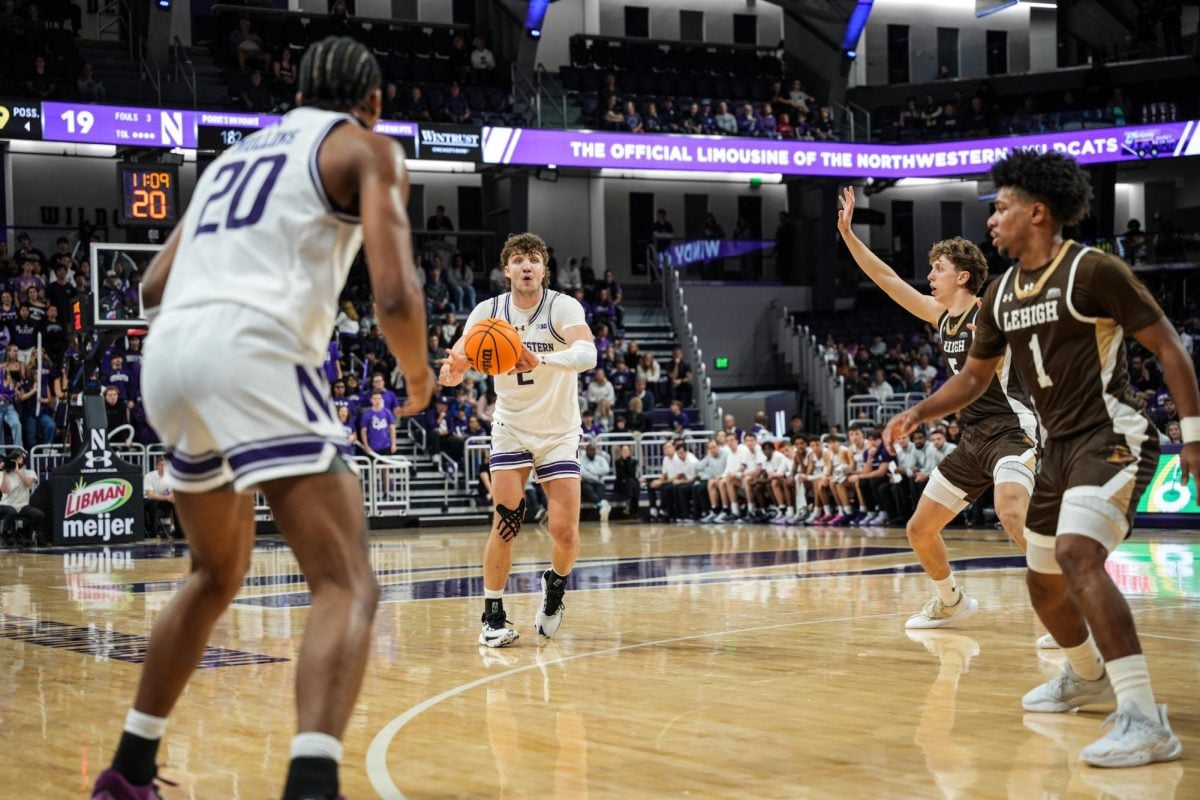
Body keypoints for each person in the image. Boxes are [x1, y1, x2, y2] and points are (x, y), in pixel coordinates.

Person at [91, 38, 432, 800]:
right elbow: (397, 295)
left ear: (298, 90)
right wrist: (417, 372)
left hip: (170, 358)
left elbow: (152, 285)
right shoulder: (366, 148)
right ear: (371, 102)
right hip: (254, 351)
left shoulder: (232, 161)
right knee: (345, 582)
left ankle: (127, 773)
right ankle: (311, 787)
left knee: (215, 574)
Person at [885, 150, 1198, 769]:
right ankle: (1086, 675)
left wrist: (1193, 437)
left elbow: (1170, 348)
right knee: (1042, 582)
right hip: (1055, 445)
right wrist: (921, 412)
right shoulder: (999, 294)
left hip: (1112, 432)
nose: (992, 220)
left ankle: (1143, 717)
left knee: (1077, 555)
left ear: (1038, 212)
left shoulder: (1094, 270)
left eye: (1001, 207)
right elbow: (974, 378)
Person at [839, 186, 1038, 630]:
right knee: (919, 529)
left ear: (963, 277)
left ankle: (1068, 601)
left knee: (1010, 512)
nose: (930, 275)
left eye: (939, 268)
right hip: (972, 439)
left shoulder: (991, 314)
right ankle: (950, 601)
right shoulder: (940, 315)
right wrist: (849, 235)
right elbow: (887, 279)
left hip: (1012, 431)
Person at [439, 232, 595, 648]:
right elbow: (462, 355)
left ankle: (555, 586)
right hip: (511, 428)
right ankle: (492, 615)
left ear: (544, 269)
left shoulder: (563, 307)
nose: (527, 267)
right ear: (505, 269)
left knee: (564, 532)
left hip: (559, 430)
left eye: (534, 260)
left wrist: (539, 357)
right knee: (506, 521)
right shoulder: (488, 312)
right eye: (519, 260)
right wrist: (455, 370)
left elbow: (587, 354)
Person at [0, 448, 43, 545]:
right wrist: (4, 472)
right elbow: (4, 490)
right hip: (6, 504)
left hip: (22, 505)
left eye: (19, 459)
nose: (16, 461)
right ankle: (5, 534)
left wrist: (18, 472)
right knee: (11, 511)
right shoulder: (2, 474)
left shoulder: (30, 472)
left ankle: (23, 531)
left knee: (39, 514)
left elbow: (28, 483)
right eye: (14, 459)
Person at [143, 455, 176, 538]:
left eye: (165, 465)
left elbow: (172, 494)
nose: (163, 467)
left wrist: (171, 498)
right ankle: (154, 533)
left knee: (177, 503)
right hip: (147, 501)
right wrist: (167, 497)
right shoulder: (149, 476)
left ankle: (179, 532)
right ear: (156, 466)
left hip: (162, 499)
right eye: (161, 464)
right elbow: (150, 495)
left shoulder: (169, 477)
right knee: (153, 503)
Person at [578, 441, 611, 522]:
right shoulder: (581, 459)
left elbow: (606, 469)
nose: (591, 452)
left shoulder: (600, 459)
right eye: (590, 450)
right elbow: (583, 473)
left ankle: (601, 508)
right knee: (588, 490)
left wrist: (592, 470)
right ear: (586, 451)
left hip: (598, 483)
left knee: (601, 490)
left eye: (593, 450)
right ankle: (602, 507)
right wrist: (596, 476)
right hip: (586, 482)